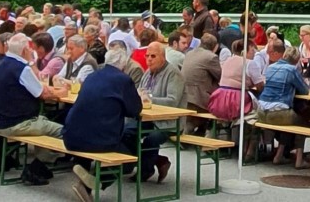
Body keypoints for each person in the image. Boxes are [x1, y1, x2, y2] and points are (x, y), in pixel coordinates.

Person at [0, 33, 68, 185]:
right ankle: (37, 167)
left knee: (45, 125)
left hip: (0, 119)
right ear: (25, 50)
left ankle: (41, 165)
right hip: (19, 123)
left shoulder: (2, 64)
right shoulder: (22, 69)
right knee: (63, 131)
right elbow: (43, 94)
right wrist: (61, 92)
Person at [65, 47, 142, 202]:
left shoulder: (92, 76)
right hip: (100, 140)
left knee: (93, 126)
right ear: (123, 64)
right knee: (130, 158)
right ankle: (96, 183)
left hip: (71, 136)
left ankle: (85, 184)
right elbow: (135, 109)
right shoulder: (123, 80)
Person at [134, 42, 185, 182]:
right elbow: (140, 92)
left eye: (153, 56)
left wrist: (149, 99)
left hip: (169, 122)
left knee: (152, 138)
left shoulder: (173, 74)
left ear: (162, 57)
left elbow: (173, 100)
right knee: (127, 130)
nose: (149, 59)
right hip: (148, 118)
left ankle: (146, 170)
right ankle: (159, 160)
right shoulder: (148, 72)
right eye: (147, 56)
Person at [257, 47, 310, 168]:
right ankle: (299, 160)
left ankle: (279, 155)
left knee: (288, 125)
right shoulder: (291, 70)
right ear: (297, 60)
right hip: (278, 113)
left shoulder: (271, 67)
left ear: (284, 55)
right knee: (302, 122)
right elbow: (305, 90)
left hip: (261, 113)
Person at [182, 34, 222, 126]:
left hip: (185, 95)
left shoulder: (189, 53)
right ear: (215, 46)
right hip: (199, 99)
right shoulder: (211, 57)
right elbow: (220, 76)